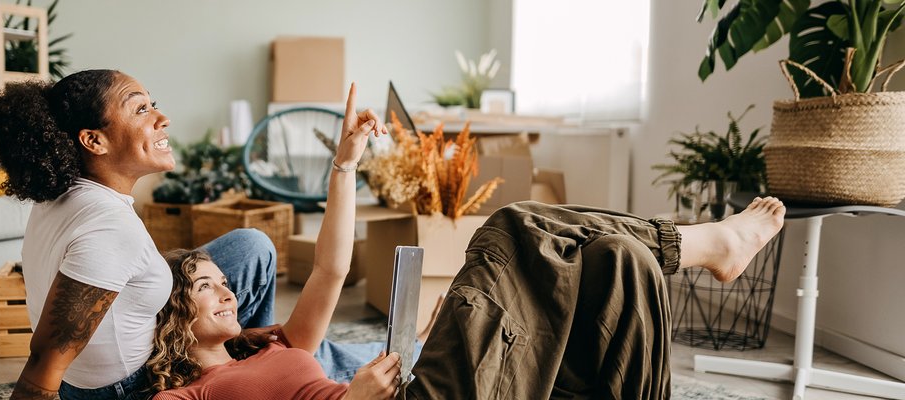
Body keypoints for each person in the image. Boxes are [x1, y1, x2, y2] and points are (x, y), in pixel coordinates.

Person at [148, 88, 788, 399]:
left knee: (612, 263)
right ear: (173, 320)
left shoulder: (277, 345)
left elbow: (331, 267)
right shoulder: (186, 395)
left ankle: (682, 249)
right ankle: (704, 244)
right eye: (204, 284)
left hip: (414, 387)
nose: (228, 287)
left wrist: (344, 165)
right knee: (510, 228)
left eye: (219, 278)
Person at [0, 70, 390, 400]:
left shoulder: (64, 193)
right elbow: (44, 363)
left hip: (190, 349)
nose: (162, 118)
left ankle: (239, 346)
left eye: (152, 104)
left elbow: (330, 270)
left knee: (251, 247)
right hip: (124, 387)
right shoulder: (108, 228)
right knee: (361, 357)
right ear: (93, 140)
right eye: (140, 109)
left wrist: (345, 163)